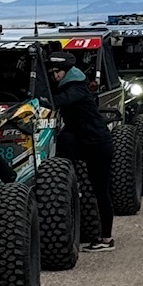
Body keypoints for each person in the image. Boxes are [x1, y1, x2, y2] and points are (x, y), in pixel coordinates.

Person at [53, 63, 114, 249]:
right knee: (64, 139)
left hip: (98, 145)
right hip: (85, 141)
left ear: (67, 72)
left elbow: (59, 101)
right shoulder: (74, 84)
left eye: (58, 71)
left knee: (101, 191)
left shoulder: (76, 88)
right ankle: (73, 182)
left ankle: (106, 239)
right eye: (53, 72)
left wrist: (40, 100)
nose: (55, 75)